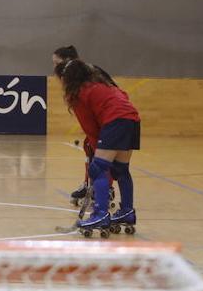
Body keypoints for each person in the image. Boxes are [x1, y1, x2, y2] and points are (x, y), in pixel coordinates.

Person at [58, 58, 141, 234]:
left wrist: (96, 150)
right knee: (121, 169)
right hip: (132, 120)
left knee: (98, 169)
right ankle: (127, 211)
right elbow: (123, 97)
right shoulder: (103, 85)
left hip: (115, 121)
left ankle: (101, 214)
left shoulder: (80, 92)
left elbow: (90, 127)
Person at [52, 46, 117, 204]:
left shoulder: (87, 74)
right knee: (89, 146)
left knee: (100, 152)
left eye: (56, 63)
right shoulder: (80, 77)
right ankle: (90, 184)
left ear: (68, 63)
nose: (55, 68)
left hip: (110, 115)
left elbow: (108, 93)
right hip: (103, 114)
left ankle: (105, 187)